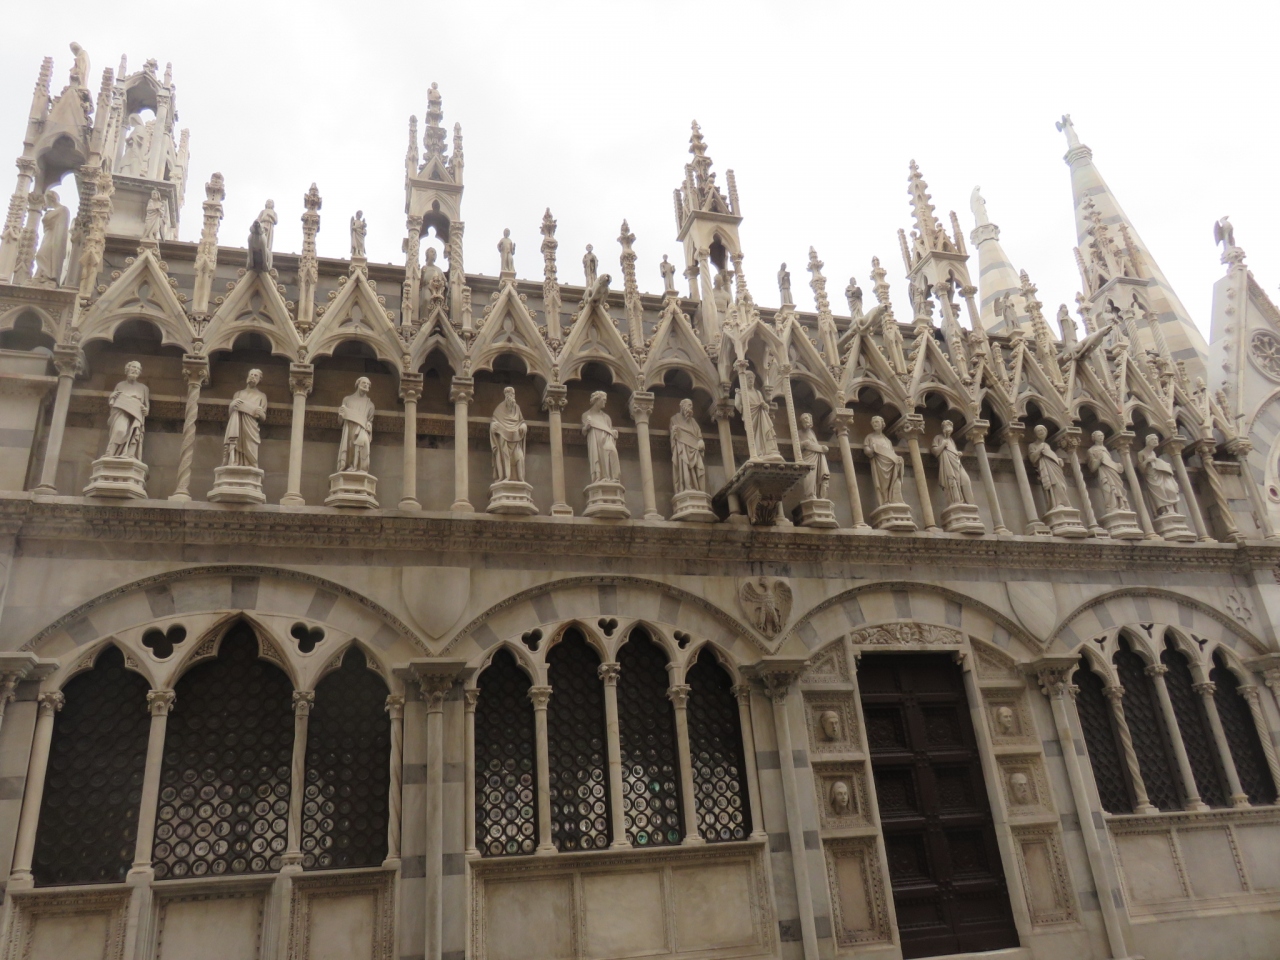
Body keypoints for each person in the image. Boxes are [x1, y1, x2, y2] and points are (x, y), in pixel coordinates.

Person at [104, 361, 149, 460]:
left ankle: (129, 454)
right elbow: (112, 401)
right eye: (133, 367)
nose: (135, 370)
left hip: (135, 414)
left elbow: (146, 404)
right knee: (119, 430)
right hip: (120, 412)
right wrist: (112, 396)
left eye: (138, 368)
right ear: (127, 369)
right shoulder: (120, 385)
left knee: (133, 434)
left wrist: (146, 410)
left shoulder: (143, 388)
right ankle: (110, 453)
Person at [223, 369, 268, 468]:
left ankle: (251, 465)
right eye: (251, 374)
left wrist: (260, 413)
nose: (253, 377)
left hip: (251, 426)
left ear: (260, 379)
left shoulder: (262, 396)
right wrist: (232, 405)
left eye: (256, 375)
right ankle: (234, 462)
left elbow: (263, 416)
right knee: (236, 441)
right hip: (237, 422)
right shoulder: (238, 393)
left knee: (251, 447)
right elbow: (231, 414)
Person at [734, 370, 781, 461]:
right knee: (755, 435)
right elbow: (737, 404)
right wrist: (744, 409)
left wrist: (765, 406)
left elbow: (764, 404)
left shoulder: (758, 392)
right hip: (752, 416)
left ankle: (769, 450)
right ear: (744, 380)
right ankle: (760, 452)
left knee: (767, 431)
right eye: (748, 378)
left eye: (752, 378)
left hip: (762, 415)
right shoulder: (740, 393)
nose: (750, 380)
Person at [337, 377, 376, 473]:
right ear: (358, 384)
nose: (366, 385)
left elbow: (370, 421)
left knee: (363, 446)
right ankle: (349, 466)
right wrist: (341, 415)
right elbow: (340, 421)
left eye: (368, 384)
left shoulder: (370, 405)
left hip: (362, 429)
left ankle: (361, 468)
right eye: (364, 383)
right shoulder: (347, 400)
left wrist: (369, 425)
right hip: (349, 428)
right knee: (350, 448)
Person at [931, 420, 974, 507]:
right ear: (943, 429)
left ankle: (969, 503)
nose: (948, 430)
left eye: (950, 428)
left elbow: (952, 450)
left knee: (965, 480)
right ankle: (956, 502)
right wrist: (942, 445)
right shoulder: (938, 438)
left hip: (957, 463)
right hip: (947, 464)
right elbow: (934, 451)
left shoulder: (951, 440)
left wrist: (958, 453)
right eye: (946, 428)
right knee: (952, 482)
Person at [864, 415, 905, 505]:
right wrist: (871, 450)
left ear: (882, 424)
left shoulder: (887, 440)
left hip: (890, 464)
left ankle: (892, 499)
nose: (875, 424)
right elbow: (866, 449)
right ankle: (884, 501)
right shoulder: (870, 437)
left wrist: (898, 459)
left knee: (893, 482)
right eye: (873, 423)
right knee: (882, 483)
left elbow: (891, 452)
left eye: (877, 422)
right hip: (879, 463)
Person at [489, 386, 527, 482]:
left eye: (513, 394)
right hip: (504, 440)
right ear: (506, 396)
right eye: (510, 395)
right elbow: (494, 421)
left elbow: (522, 421)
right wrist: (494, 426)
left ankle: (520, 478)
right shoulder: (499, 408)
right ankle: (505, 477)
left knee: (520, 457)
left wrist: (523, 426)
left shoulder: (517, 408)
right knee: (505, 457)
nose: (512, 397)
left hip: (516, 439)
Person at [581, 391, 620, 482]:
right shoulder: (586, 415)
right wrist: (586, 427)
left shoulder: (606, 417)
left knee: (612, 452)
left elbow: (610, 429)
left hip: (607, 439)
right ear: (597, 400)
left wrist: (613, 432)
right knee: (599, 457)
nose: (605, 402)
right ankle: (601, 477)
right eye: (603, 400)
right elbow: (584, 431)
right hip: (595, 439)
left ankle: (614, 477)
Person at [1137, 433, 1181, 515]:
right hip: (1151, 476)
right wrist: (1147, 461)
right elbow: (1141, 468)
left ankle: (1171, 510)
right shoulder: (1141, 453)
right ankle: (1163, 511)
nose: (1155, 441)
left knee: (1169, 489)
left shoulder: (1153, 452)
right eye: (1153, 439)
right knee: (1159, 492)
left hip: (1160, 474)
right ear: (1148, 442)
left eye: (1156, 439)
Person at [669, 398, 706, 493]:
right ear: (682, 406)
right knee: (684, 467)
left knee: (698, 469)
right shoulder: (674, 419)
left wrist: (701, 441)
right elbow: (673, 436)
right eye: (689, 405)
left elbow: (699, 435)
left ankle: (698, 489)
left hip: (695, 449)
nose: (691, 407)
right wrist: (674, 433)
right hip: (682, 447)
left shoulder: (693, 422)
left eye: (692, 405)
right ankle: (686, 488)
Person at [32, 191, 70, 285]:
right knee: (41, 255)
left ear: (51, 198)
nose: (45, 203)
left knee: (41, 254)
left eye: (45, 200)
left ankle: (48, 276)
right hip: (48, 235)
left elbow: (48, 220)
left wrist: (47, 214)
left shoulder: (63, 209)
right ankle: (41, 275)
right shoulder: (54, 211)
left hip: (55, 237)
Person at [797, 413, 830, 499]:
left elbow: (814, 445)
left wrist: (822, 448)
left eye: (807, 418)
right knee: (809, 475)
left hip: (816, 456)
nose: (806, 420)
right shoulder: (799, 433)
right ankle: (810, 495)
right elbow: (796, 446)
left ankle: (817, 494)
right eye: (804, 419)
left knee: (815, 476)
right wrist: (804, 443)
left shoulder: (812, 432)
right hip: (807, 457)